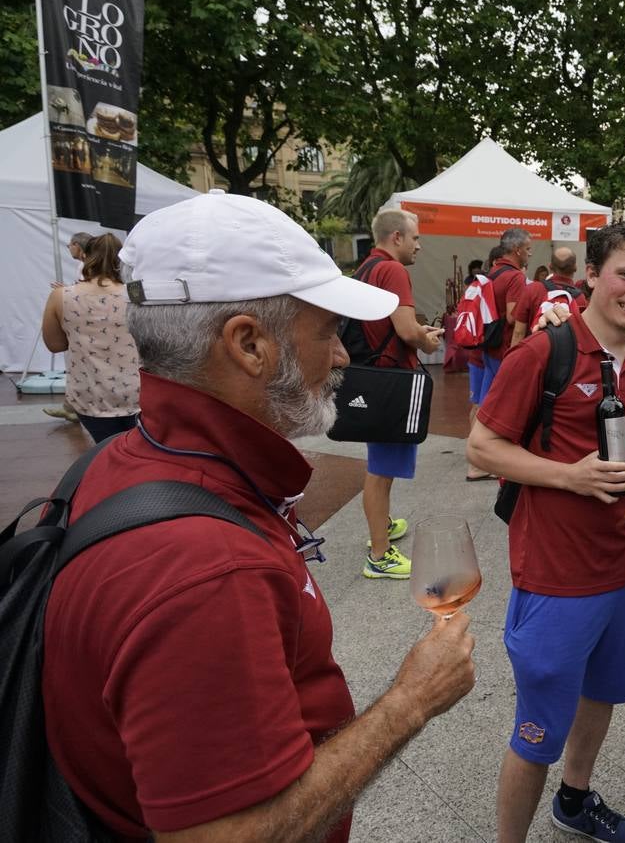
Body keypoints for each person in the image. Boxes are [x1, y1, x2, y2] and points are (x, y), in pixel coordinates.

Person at [43, 191, 475, 842]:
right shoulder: (208, 571)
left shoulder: (121, 462)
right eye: (327, 331)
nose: (340, 357)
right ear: (249, 344)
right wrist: (409, 703)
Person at [467, 221, 625, 843]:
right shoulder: (544, 354)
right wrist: (566, 478)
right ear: (592, 275)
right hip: (557, 575)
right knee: (536, 730)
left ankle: (573, 800)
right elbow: (483, 445)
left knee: (603, 694)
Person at [355, 208, 445, 579]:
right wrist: (427, 339)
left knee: (381, 465)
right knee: (381, 470)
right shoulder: (392, 270)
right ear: (396, 238)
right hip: (390, 381)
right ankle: (380, 554)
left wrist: (414, 331)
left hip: (372, 378)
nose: (419, 246)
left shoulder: (367, 268)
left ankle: (383, 525)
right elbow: (408, 333)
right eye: (416, 237)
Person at [40, 232, 140, 442]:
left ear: (86, 256)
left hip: (90, 393)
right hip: (138, 393)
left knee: (106, 451)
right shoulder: (137, 294)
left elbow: (55, 344)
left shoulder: (61, 296)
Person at [42, 231, 94, 424]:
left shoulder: (85, 266)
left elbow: (88, 292)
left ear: (77, 246)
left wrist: (65, 292)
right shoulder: (87, 266)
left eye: (70, 245)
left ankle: (72, 408)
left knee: (79, 366)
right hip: (88, 323)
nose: (69, 249)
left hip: (86, 325)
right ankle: (70, 407)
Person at [465, 249, 502, 481]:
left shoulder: (478, 284)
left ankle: (474, 457)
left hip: (477, 353)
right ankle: (476, 462)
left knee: (478, 404)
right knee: (482, 407)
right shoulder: (492, 285)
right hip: (485, 354)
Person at [483, 228, 533, 394]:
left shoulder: (494, 270)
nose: (530, 254)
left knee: (484, 402)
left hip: (489, 345)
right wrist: (530, 303)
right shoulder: (516, 276)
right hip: (504, 348)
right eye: (528, 249)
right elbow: (513, 317)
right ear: (517, 250)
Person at [511, 246, 587, 346]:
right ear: (575, 268)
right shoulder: (580, 298)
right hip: (564, 357)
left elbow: (518, 332)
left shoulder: (532, 289)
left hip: (533, 353)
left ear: (550, 266)